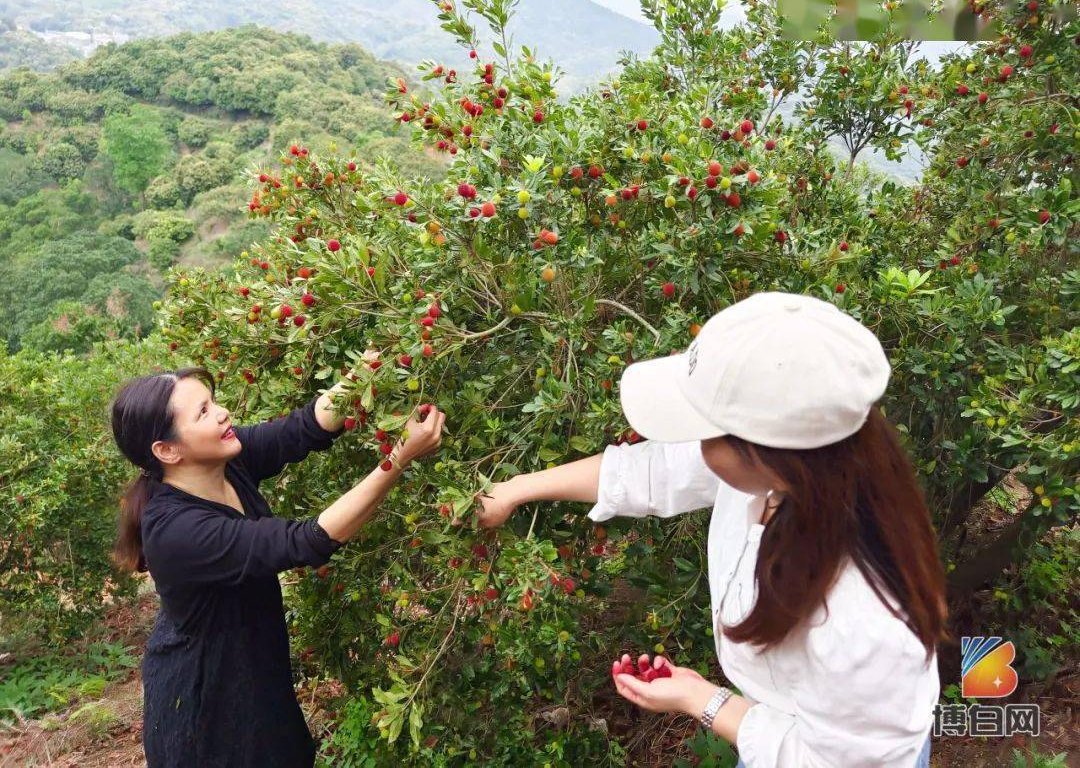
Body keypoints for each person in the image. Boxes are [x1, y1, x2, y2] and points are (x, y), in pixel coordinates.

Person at [478, 291, 945, 767]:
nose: (690, 443)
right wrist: (515, 489)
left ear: (761, 451)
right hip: (773, 727)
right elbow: (655, 471)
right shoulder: (801, 468)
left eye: (703, 430)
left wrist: (701, 701)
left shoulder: (864, 621)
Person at [109, 360, 444, 768]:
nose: (221, 413)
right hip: (204, 701)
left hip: (253, 665)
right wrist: (398, 459)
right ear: (167, 450)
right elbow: (308, 540)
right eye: (202, 412)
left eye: (212, 402)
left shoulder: (224, 460)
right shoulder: (176, 532)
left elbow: (304, 427)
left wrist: (366, 373)